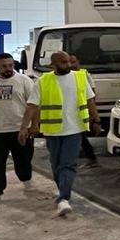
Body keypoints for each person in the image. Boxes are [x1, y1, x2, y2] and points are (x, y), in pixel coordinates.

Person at [28, 51, 100, 216]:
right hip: (52, 131)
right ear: (53, 64)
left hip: (75, 129)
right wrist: (32, 125)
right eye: (63, 62)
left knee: (68, 164)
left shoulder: (80, 77)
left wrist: (96, 120)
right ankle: (63, 191)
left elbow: (90, 100)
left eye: (69, 62)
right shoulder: (43, 81)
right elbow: (34, 106)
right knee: (56, 165)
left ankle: (64, 198)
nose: (68, 65)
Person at [0, 53, 40, 208]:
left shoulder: (24, 81)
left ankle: (27, 181)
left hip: (20, 130)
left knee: (23, 159)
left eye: (10, 65)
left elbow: (34, 105)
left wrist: (34, 125)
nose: (8, 68)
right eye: (4, 66)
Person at [67, 54, 99, 168]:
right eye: (69, 62)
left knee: (80, 136)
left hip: (81, 112)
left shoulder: (84, 74)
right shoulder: (67, 76)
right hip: (70, 112)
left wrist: (93, 114)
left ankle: (90, 158)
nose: (71, 65)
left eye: (73, 62)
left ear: (78, 62)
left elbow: (91, 95)